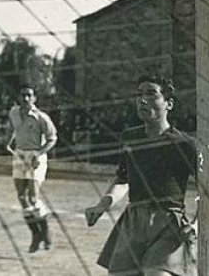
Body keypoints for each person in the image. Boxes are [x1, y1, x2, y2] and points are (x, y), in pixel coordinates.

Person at [84, 75, 198, 275]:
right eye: (139, 94)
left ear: (169, 104)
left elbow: (207, 189)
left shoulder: (184, 144)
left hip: (168, 224)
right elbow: (123, 179)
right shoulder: (130, 138)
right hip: (133, 221)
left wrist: (196, 224)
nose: (143, 100)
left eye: (151, 94)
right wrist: (102, 205)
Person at [6, 84, 58, 253]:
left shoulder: (41, 117)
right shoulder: (14, 113)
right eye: (23, 95)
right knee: (22, 197)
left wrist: (39, 153)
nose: (26, 98)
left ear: (34, 98)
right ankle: (35, 234)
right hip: (20, 155)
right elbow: (11, 129)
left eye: (29, 95)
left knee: (33, 197)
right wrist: (8, 142)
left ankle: (45, 231)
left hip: (35, 156)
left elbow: (52, 138)